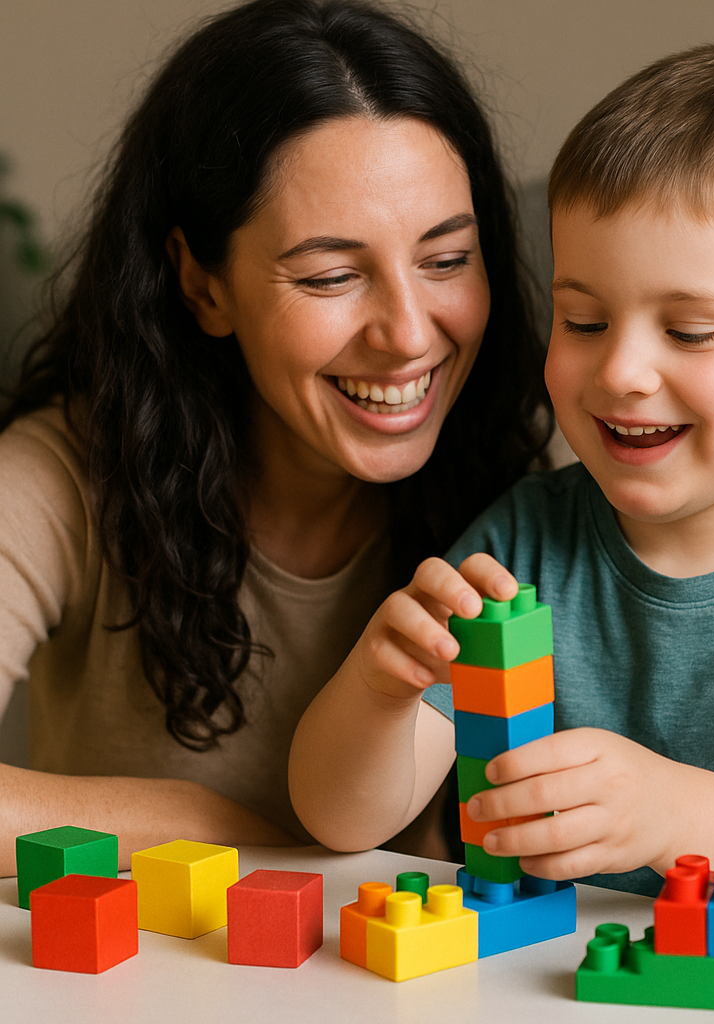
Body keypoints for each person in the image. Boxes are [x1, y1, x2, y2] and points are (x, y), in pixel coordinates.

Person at [289, 44, 714, 936]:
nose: (620, 371)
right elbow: (341, 819)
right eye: (583, 320)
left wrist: (678, 817)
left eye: (689, 331)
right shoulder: (520, 545)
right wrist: (380, 694)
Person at [0, 0, 550, 876]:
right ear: (202, 284)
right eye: (332, 275)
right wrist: (206, 822)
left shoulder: (525, 501)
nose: (409, 333)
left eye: (446, 259)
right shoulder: (59, 477)